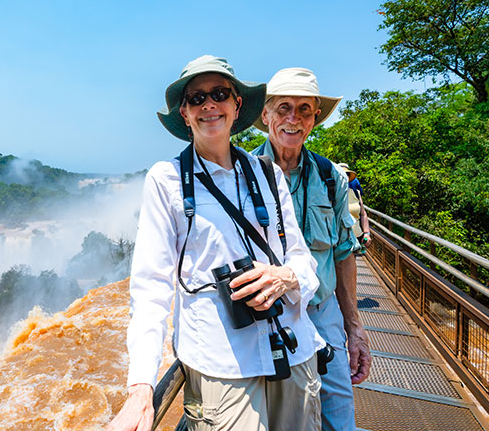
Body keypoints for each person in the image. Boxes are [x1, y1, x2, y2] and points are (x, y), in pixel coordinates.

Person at [108, 56, 325, 431]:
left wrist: (285, 278)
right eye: (197, 98)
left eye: (220, 93)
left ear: (237, 105)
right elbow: (151, 289)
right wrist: (140, 388)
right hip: (221, 362)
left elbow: (304, 260)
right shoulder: (167, 180)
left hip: (293, 348)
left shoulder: (268, 174)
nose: (209, 104)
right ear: (185, 113)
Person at [251, 68, 372, 431]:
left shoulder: (330, 177)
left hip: (323, 309)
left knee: (338, 410)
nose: (293, 119)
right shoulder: (243, 174)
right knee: (278, 418)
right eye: (283, 108)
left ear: (315, 117)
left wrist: (354, 326)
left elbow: (342, 252)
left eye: (304, 109)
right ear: (265, 115)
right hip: (268, 319)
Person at [337, 163, 371, 254]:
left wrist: (366, 233)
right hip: (337, 240)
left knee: (351, 266)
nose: (344, 178)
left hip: (355, 237)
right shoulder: (328, 193)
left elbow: (363, 214)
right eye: (341, 175)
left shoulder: (356, 193)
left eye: (346, 175)